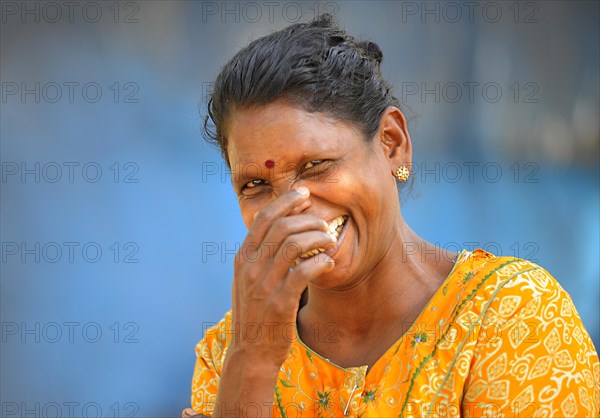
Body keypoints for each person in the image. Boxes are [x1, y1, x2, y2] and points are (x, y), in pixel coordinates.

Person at [183, 14, 599, 418]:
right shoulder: (229, 352)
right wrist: (252, 360)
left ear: (392, 144)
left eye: (316, 165)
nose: (292, 206)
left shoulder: (510, 316)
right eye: (255, 185)